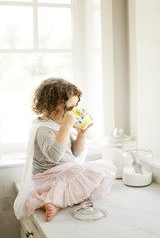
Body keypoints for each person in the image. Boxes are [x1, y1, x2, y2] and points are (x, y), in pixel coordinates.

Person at [14, 78, 117, 222]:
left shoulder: (58, 124)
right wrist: (66, 127)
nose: (73, 113)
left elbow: (76, 153)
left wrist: (82, 134)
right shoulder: (43, 129)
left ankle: (62, 198)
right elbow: (54, 156)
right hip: (49, 178)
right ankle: (52, 202)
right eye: (69, 109)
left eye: (75, 107)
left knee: (95, 176)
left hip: (64, 174)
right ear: (50, 106)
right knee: (86, 173)